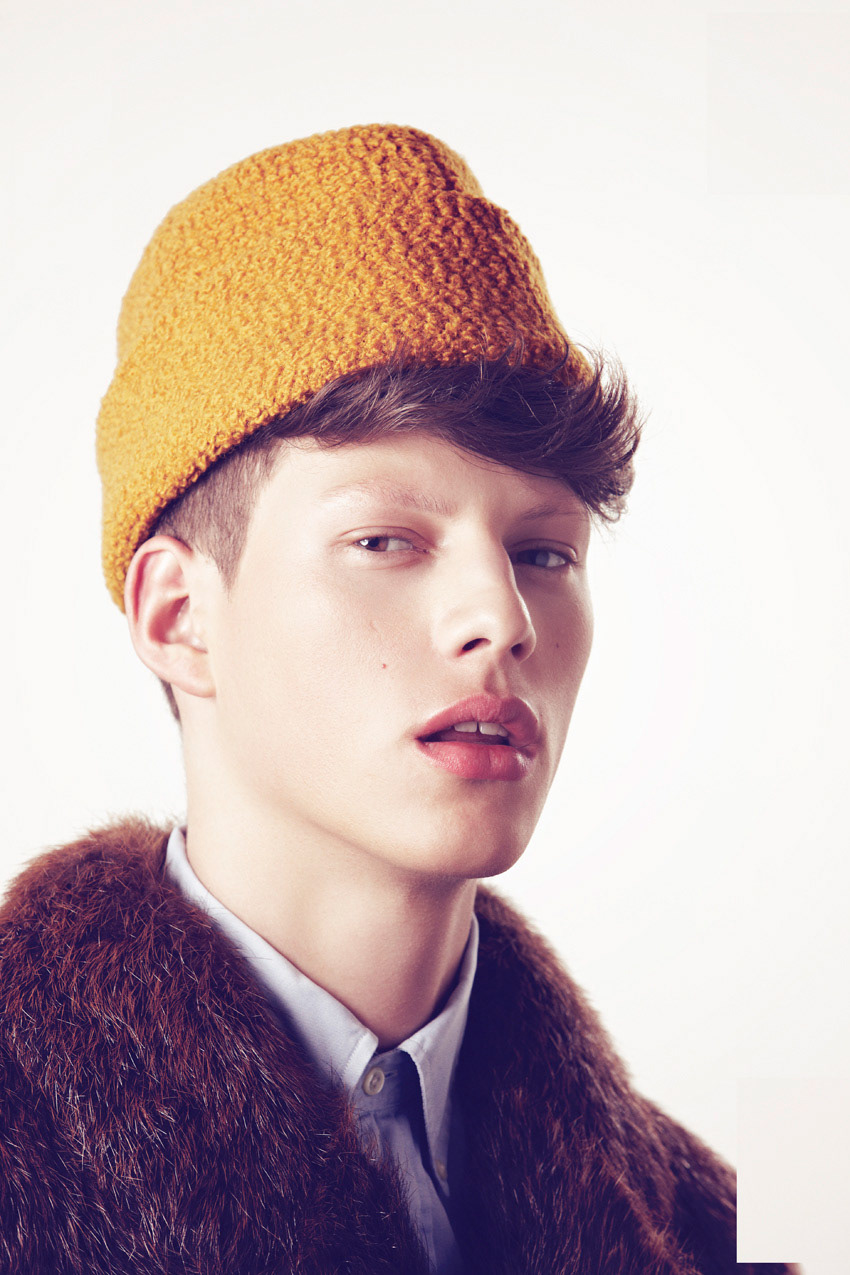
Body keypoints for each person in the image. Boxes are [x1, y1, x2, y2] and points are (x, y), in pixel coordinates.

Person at [0, 124, 796, 1274]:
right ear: (178, 617)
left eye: (544, 553)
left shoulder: (715, 1228)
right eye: (384, 540)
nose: (501, 618)